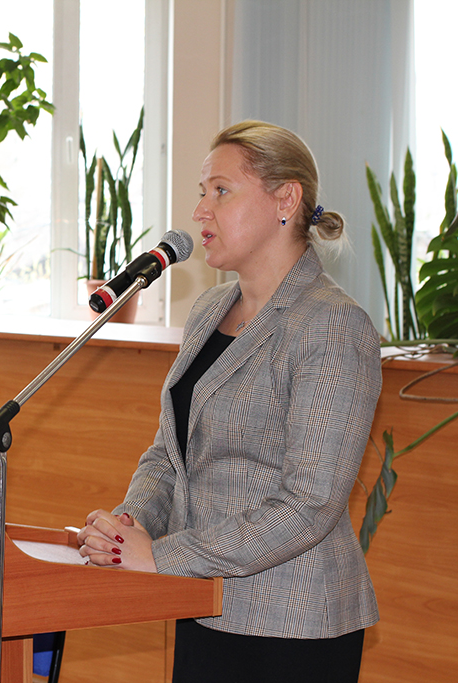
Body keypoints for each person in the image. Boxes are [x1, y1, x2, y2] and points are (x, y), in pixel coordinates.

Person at [77, 120, 381, 683]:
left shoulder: (333, 324)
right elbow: (169, 453)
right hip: (203, 603)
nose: (200, 211)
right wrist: (129, 525)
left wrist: (161, 557)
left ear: (285, 199)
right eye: (202, 192)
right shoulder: (207, 311)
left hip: (292, 625)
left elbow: (308, 506)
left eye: (221, 191)